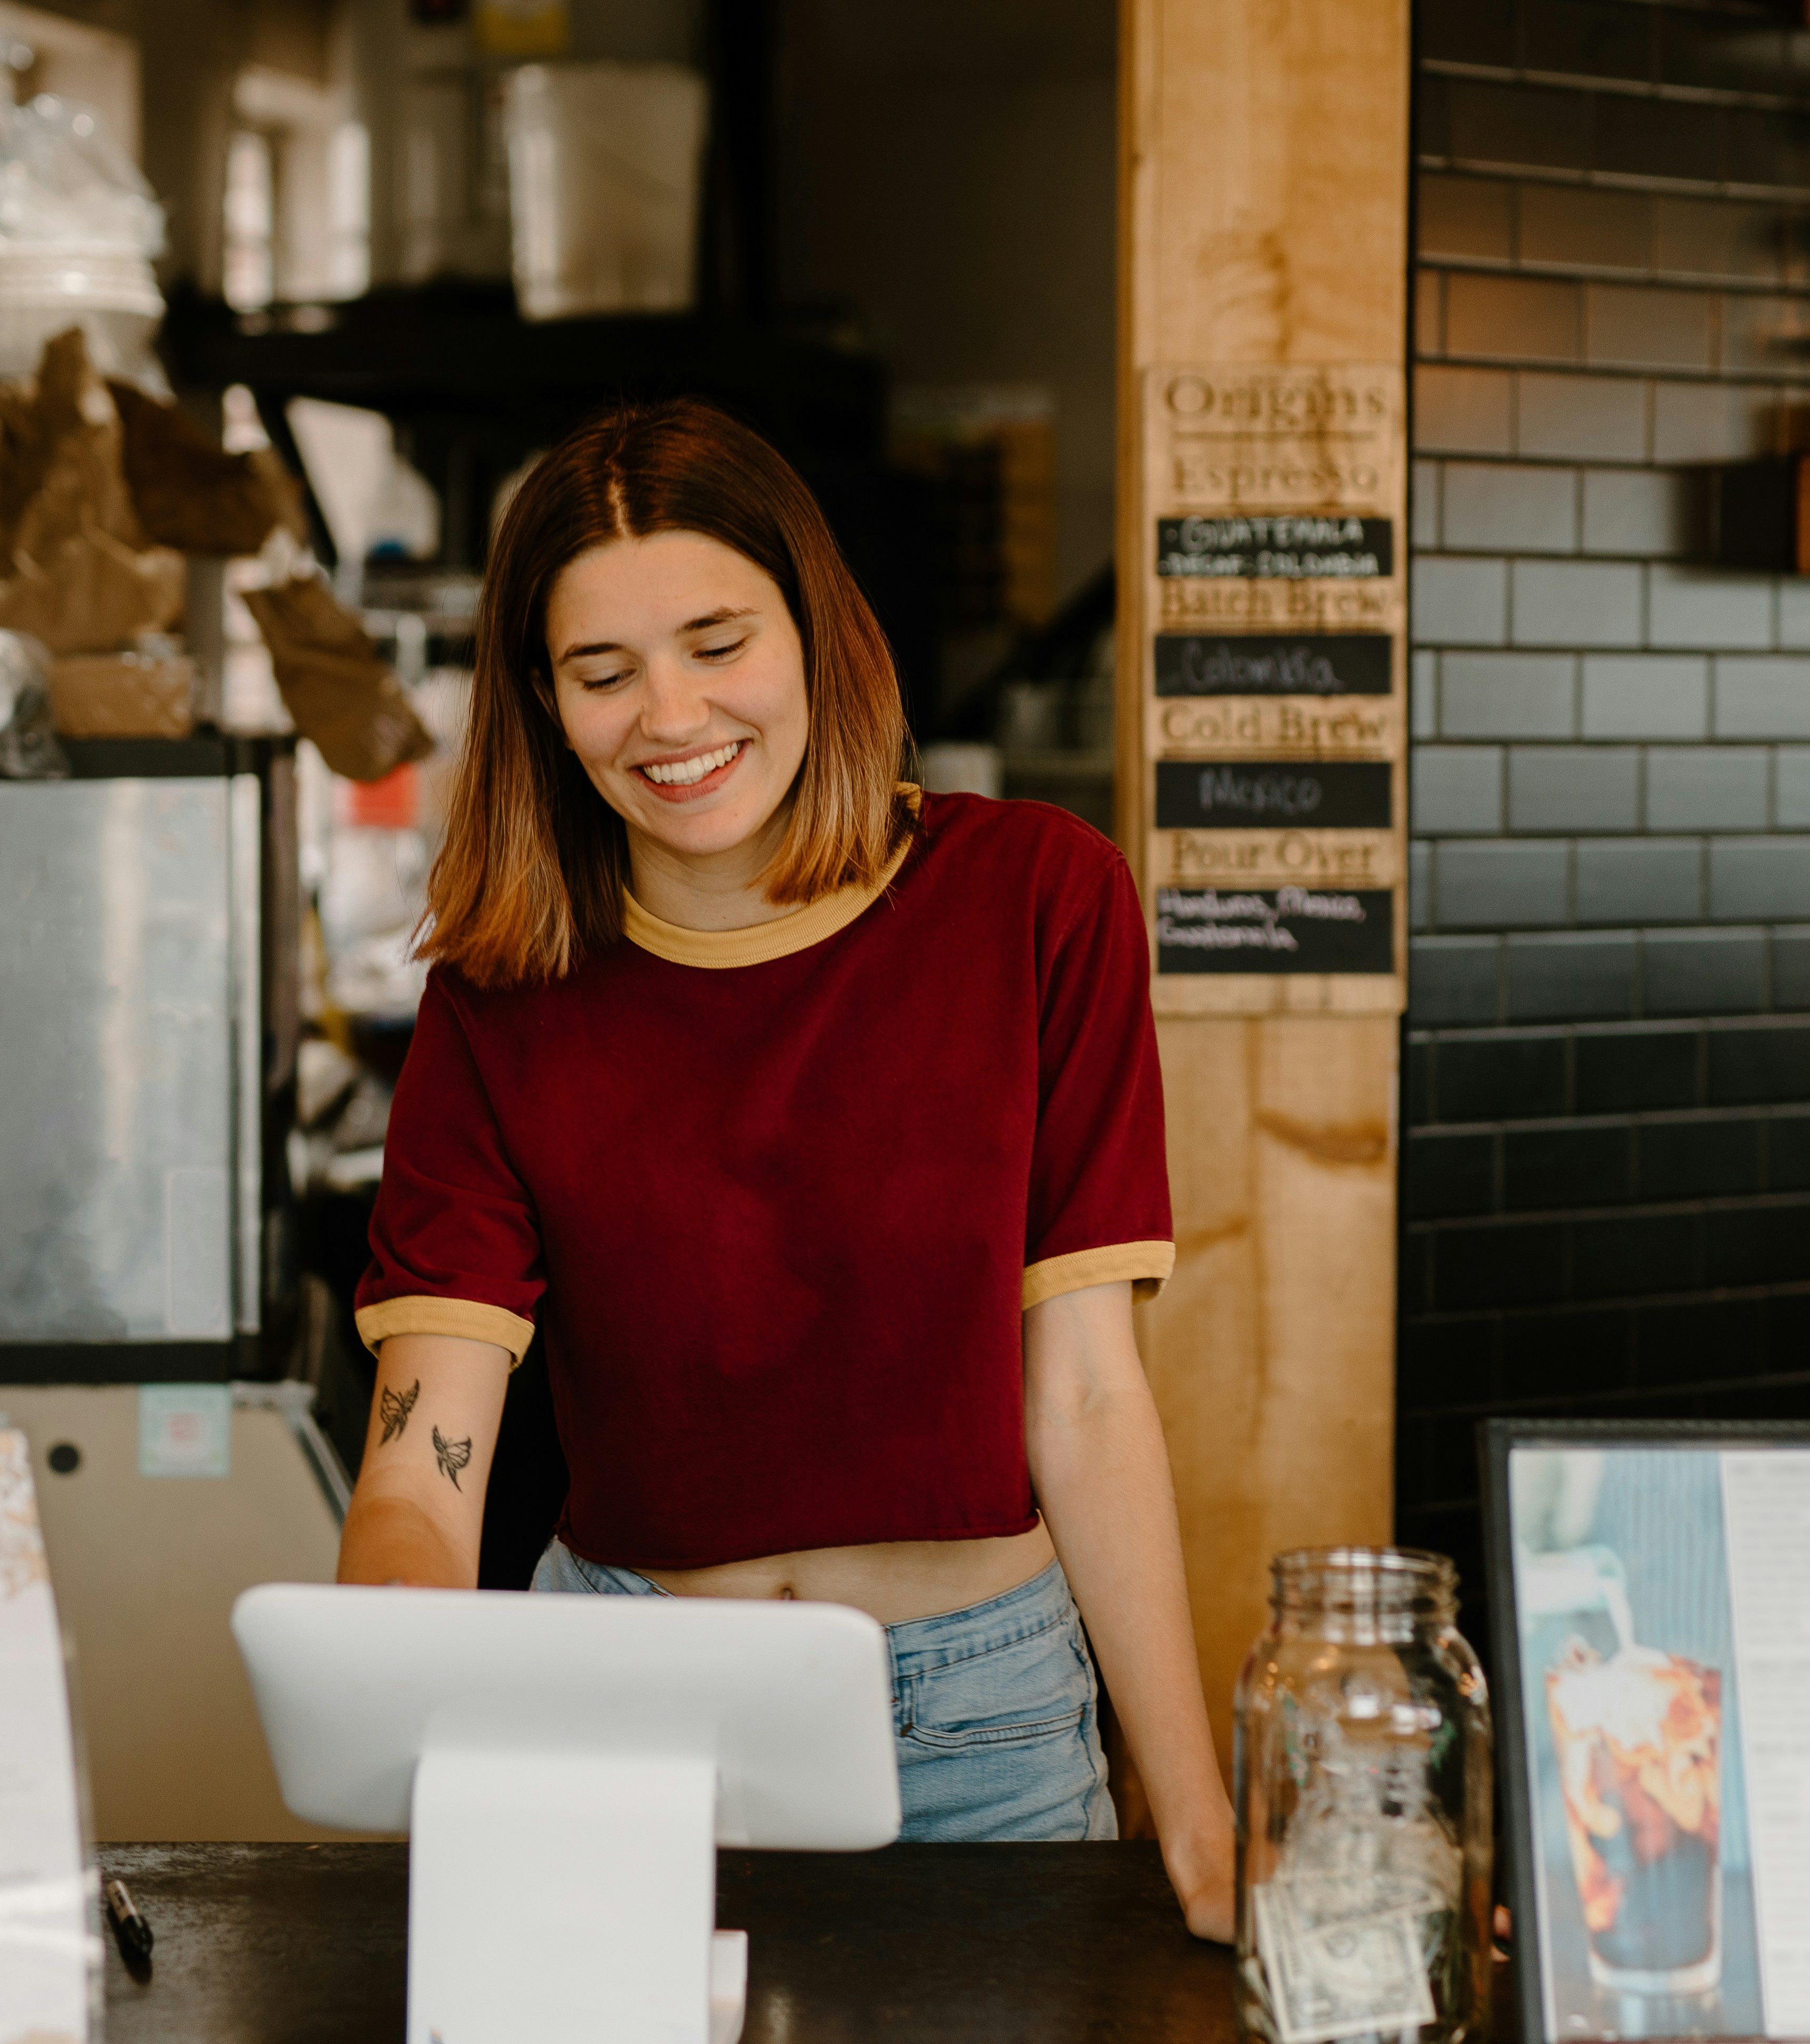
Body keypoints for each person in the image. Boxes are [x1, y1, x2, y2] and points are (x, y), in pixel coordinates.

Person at [335, 398, 1235, 1939]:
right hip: (622, 1696)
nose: (670, 715)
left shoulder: (1035, 899)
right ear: (545, 705)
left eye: (715, 641)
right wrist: (410, 1703)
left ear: (815, 631)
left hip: (987, 1723)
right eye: (602, 672)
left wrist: (1200, 1814)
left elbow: (1083, 1395)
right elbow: (423, 1468)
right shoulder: (498, 999)